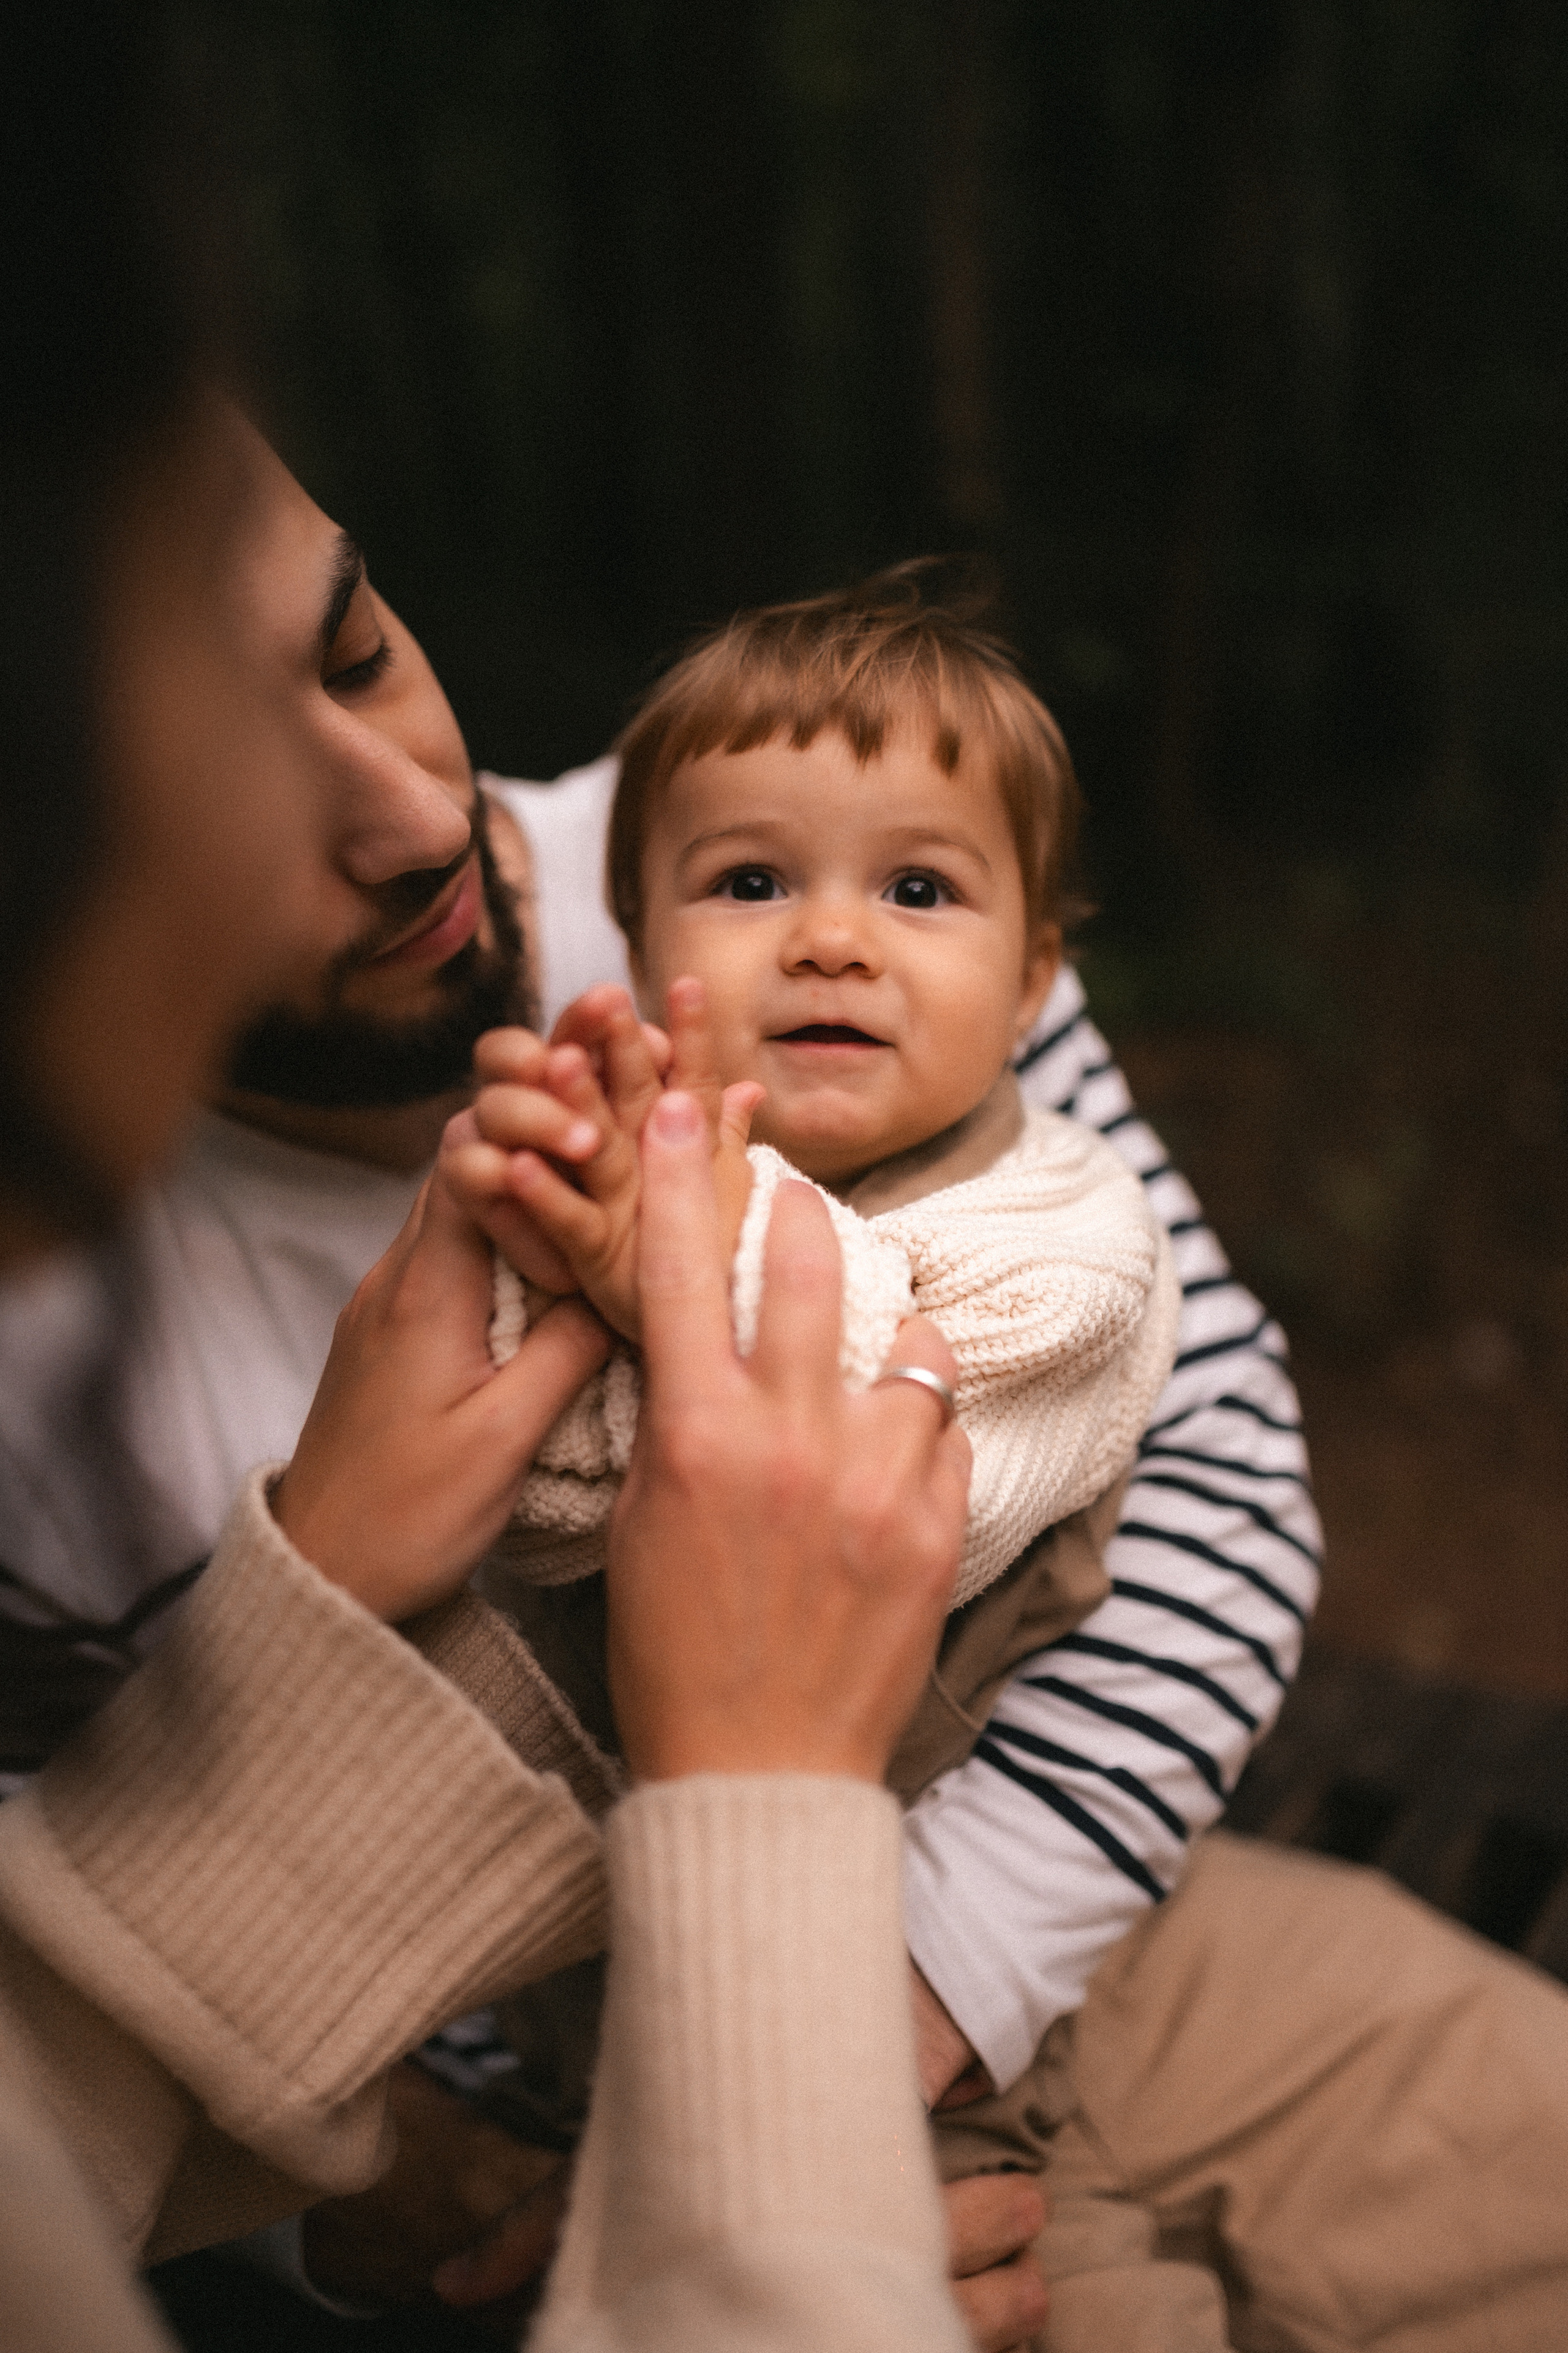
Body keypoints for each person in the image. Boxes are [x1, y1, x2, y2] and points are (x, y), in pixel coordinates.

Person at [0, 18, 1020, 2352]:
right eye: (198, 699)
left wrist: (315, 1594)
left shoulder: (786, 876)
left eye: (360, 638)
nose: (392, 820)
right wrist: (756, 1826)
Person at [468, 576, 1180, 1629]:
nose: (831, 942)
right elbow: (533, 1521)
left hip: (906, 1778)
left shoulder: (1076, 1222)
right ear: (639, 945)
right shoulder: (627, 1165)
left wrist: (681, 1288)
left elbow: (923, 1517)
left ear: (1032, 984)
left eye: (918, 890)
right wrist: (542, 1260)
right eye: (752, 882)